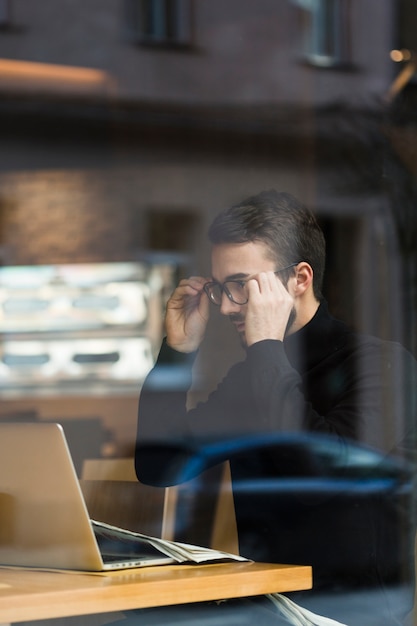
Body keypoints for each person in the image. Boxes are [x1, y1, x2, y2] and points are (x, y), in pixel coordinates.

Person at [134, 190, 416, 624]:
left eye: (242, 286)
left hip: (346, 610)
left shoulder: (383, 363)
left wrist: (266, 348)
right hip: (262, 601)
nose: (227, 306)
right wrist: (177, 354)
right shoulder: (253, 372)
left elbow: (319, 473)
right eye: (219, 287)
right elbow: (160, 466)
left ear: (299, 279)